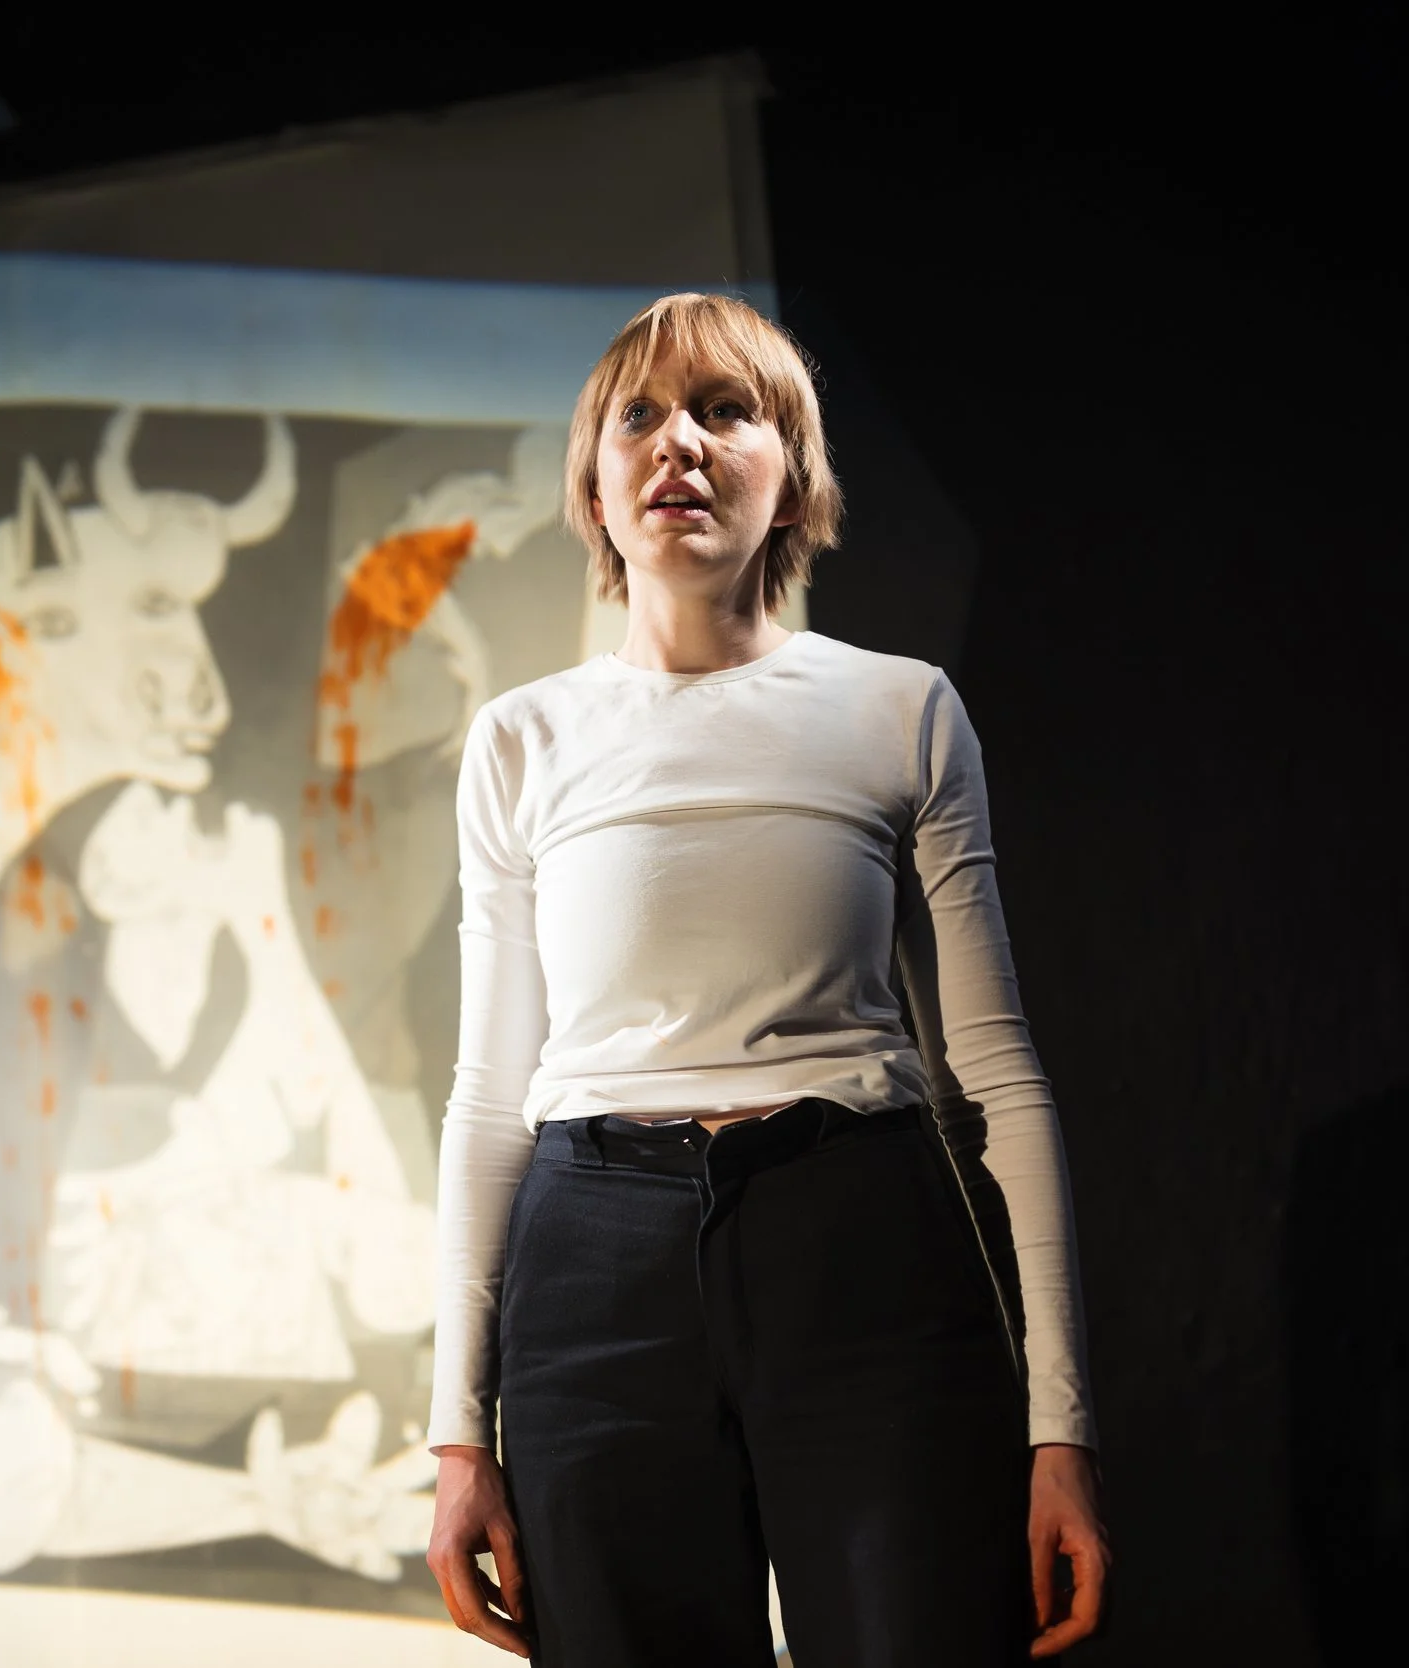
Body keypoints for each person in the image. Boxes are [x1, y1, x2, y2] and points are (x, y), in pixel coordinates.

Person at [421, 293, 1110, 1666]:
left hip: (863, 1248)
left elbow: (995, 1076)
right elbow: (489, 1098)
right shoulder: (519, 740)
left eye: (725, 410)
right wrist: (456, 1439)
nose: (678, 442)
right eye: (639, 416)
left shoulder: (900, 708)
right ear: (596, 490)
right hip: (592, 1264)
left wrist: (1062, 1432)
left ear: (791, 478)